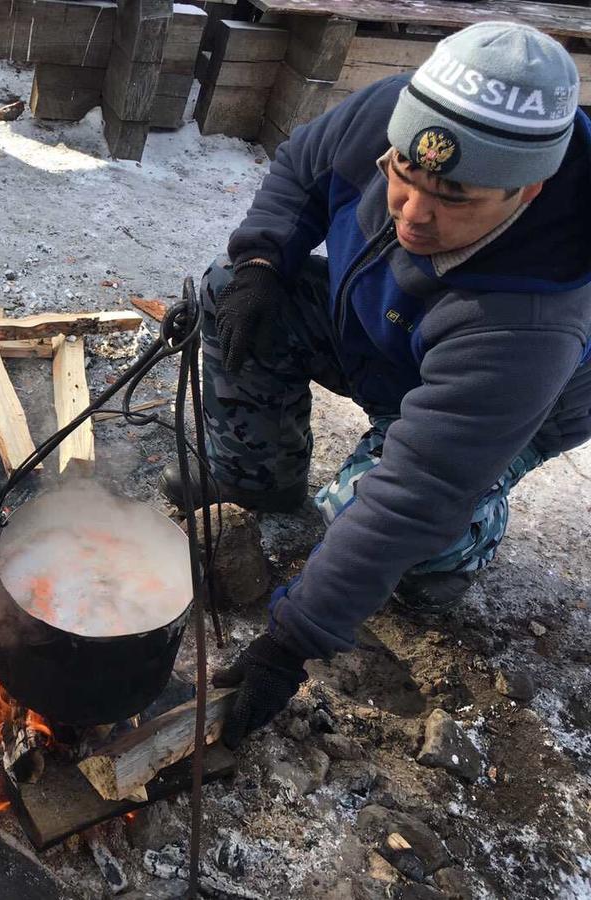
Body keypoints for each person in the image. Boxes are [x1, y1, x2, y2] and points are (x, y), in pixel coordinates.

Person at [160, 22, 591, 748]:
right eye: (402, 174)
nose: (414, 213)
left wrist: (290, 643)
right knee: (233, 294)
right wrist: (265, 262)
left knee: (397, 521)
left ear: (529, 190)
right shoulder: (400, 111)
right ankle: (258, 476)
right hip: (380, 327)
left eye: (455, 197)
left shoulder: (531, 316)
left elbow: (415, 489)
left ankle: (468, 532)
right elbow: (303, 164)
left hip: (505, 401)